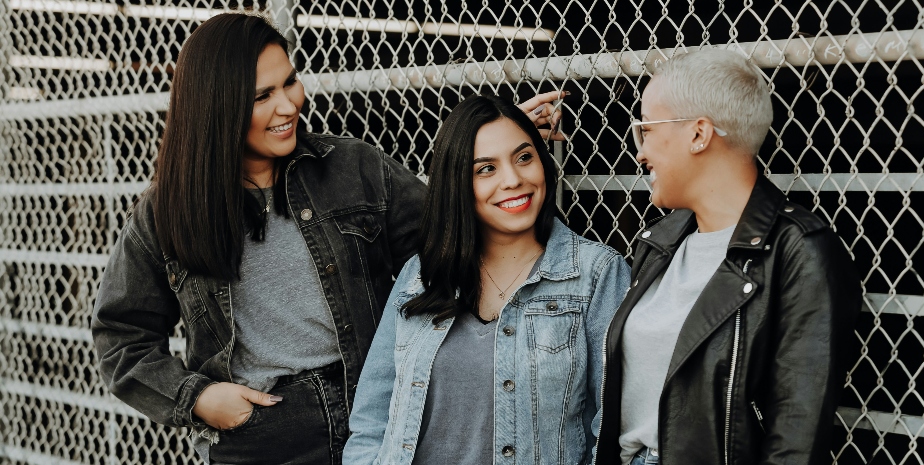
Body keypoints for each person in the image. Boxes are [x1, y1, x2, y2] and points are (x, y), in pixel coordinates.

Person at [91, 12, 565, 464]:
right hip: (260, 440)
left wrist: (492, 147)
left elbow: (450, 235)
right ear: (216, 106)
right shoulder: (166, 212)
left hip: (374, 421)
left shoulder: (352, 169)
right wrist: (198, 398)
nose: (289, 105)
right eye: (262, 96)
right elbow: (121, 336)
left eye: (290, 82)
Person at [593, 49, 862, 465]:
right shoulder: (659, 242)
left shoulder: (800, 251)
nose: (640, 152)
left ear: (698, 134)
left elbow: (797, 437)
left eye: (646, 129)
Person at [343, 94, 630, 465]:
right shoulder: (422, 274)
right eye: (486, 169)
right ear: (457, 184)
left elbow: (615, 425)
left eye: (524, 157)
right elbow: (372, 417)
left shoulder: (596, 274)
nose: (513, 180)